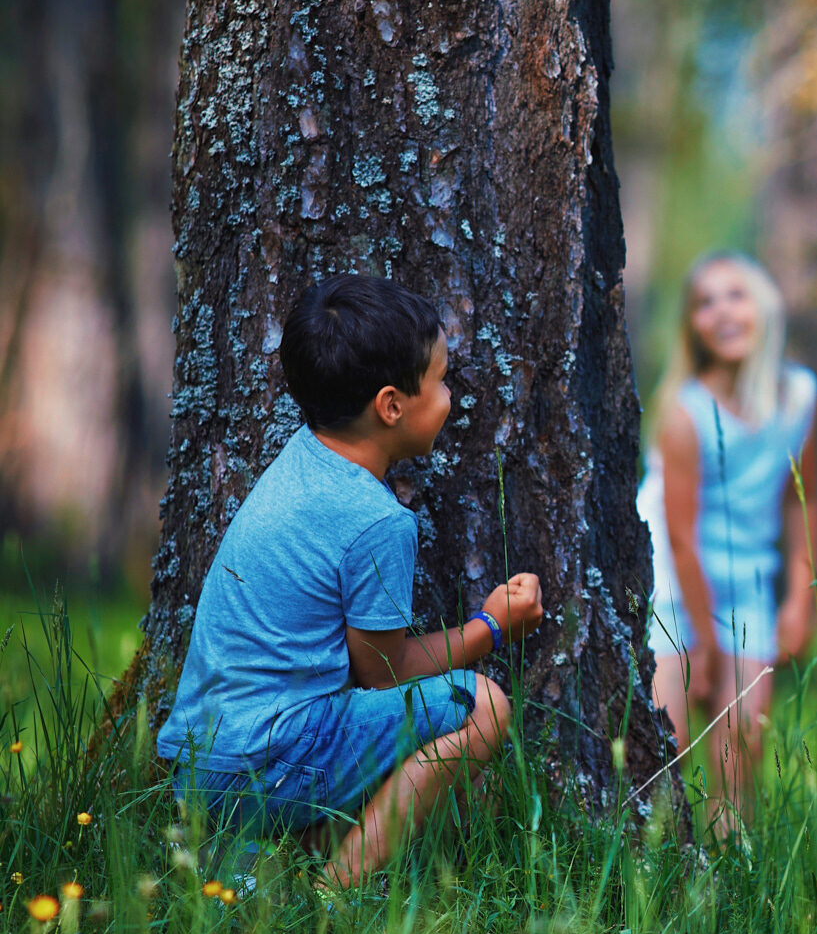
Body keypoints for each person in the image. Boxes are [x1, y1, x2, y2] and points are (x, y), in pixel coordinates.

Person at [157, 273, 543, 887]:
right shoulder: (377, 523)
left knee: (436, 764)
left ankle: (280, 858)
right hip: (266, 762)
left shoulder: (300, 460)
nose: (450, 396)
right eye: (441, 381)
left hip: (200, 766)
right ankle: (338, 890)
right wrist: (492, 626)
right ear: (391, 405)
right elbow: (383, 672)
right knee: (485, 707)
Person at [638, 251, 817, 820]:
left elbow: (802, 500)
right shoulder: (684, 413)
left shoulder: (798, 396)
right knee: (665, 749)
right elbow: (680, 536)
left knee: (739, 749)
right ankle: (654, 878)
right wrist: (707, 651)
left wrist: (798, 599)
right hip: (674, 585)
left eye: (735, 295)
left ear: (763, 306)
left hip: (748, 586)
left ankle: (730, 887)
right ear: (691, 325)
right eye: (703, 302)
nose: (721, 312)